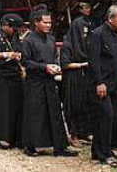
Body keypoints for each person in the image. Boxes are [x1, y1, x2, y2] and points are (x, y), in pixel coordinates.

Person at [21, 9, 78, 158]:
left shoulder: (51, 39)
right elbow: (25, 62)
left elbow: (54, 57)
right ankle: (31, 145)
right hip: (35, 81)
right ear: (36, 23)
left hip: (49, 80)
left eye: (49, 22)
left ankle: (60, 146)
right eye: (45, 22)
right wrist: (44, 67)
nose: (48, 25)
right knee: (35, 114)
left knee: (55, 113)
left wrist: (55, 65)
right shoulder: (29, 40)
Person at [88, 5, 117, 167]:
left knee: (112, 118)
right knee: (105, 116)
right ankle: (103, 153)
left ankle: (100, 150)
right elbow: (94, 60)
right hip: (102, 83)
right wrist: (99, 82)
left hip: (115, 82)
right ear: (110, 19)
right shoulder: (97, 34)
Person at [0, 13, 24, 150]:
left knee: (14, 108)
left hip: (15, 75)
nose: (15, 31)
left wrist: (18, 55)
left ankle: (13, 137)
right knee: (0, 108)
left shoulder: (16, 37)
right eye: (14, 28)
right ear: (6, 25)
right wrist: (5, 54)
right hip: (0, 76)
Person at [61, 1, 94, 145]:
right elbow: (65, 64)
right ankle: (73, 134)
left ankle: (85, 131)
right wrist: (82, 64)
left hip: (86, 76)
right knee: (73, 105)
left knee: (86, 104)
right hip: (73, 77)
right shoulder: (68, 45)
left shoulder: (88, 45)